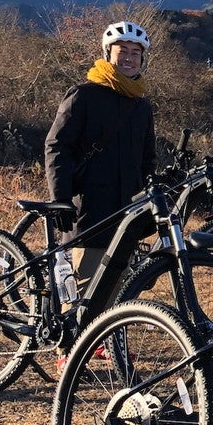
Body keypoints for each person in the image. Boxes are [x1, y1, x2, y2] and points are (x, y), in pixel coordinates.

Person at [44, 20, 156, 304]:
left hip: (127, 207)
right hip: (89, 206)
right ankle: (75, 347)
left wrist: (146, 201)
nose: (129, 58)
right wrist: (61, 198)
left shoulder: (141, 106)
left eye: (135, 52)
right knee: (86, 285)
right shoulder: (84, 95)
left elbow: (147, 159)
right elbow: (57, 146)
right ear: (108, 54)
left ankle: (108, 346)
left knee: (118, 287)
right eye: (122, 51)